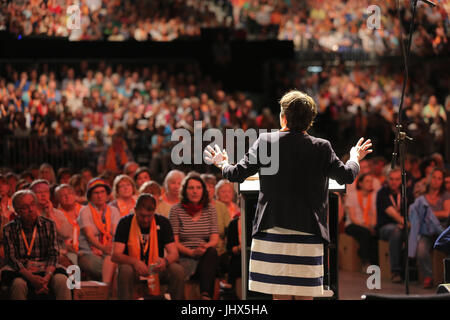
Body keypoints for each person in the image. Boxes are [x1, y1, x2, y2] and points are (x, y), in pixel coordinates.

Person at [205, 90, 371, 300]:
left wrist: (222, 163)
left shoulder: (266, 142)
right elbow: (346, 176)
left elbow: (236, 174)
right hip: (309, 230)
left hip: (272, 227)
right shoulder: (322, 147)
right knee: (305, 296)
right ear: (310, 121)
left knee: (279, 296)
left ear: (283, 117)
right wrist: (355, 157)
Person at [0, 190, 71, 300]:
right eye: (25, 207)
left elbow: (54, 254)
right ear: (17, 211)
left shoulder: (48, 225)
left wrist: (46, 278)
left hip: (46, 268)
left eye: (33, 204)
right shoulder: (9, 229)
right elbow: (12, 259)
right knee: (18, 284)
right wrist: (32, 279)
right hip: (22, 270)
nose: (31, 209)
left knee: (62, 281)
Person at [112, 193, 184, 300]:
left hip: (155, 269)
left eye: (149, 216)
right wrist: (135, 262)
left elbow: (174, 253)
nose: (146, 220)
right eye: (142, 216)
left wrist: (165, 261)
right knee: (125, 269)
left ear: (154, 211)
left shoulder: (163, 222)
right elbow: (115, 255)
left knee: (177, 270)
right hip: (134, 269)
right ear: (135, 210)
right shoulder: (125, 222)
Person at [169, 172, 219, 300]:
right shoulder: (176, 210)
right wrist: (191, 253)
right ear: (185, 191)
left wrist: (203, 248)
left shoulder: (211, 209)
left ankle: (205, 295)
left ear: (203, 190)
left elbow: (214, 239)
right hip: (184, 256)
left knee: (211, 252)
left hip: (205, 255)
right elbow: (173, 242)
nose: (195, 191)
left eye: (198, 188)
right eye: (191, 188)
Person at [408, 168, 450, 288]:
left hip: (442, 228)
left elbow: (447, 213)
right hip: (426, 230)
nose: (436, 181)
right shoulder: (422, 197)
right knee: (421, 249)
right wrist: (425, 216)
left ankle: (446, 278)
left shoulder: (445, 195)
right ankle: (428, 276)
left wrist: (428, 214)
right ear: (430, 179)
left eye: (439, 178)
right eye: (434, 177)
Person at [77, 178, 120, 289]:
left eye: (102, 192)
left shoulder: (114, 210)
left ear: (107, 195)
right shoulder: (85, 211)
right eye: (96, 193)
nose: (100, 195)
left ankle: (105, 291)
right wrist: (103, 248)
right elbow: (89, 235)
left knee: (114, 261)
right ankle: (107, 293)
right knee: (116, 269)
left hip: (109, 252)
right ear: (90, 196)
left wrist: (109, 248)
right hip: (89, 252)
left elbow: (116, 234)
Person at [376, 168, 413, 283]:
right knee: (396, 231)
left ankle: (411, 270)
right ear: (387, 179)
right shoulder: (382, 193)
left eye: (397, 179)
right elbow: (392, 213)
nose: (394, 182)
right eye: (391, 179)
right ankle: (395, 271)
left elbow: (411, 210)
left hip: (403, 225)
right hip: (385, 227)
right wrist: (405, 224)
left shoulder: (406, 192)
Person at [29, 180, 73, 267]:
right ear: (31, 195)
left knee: (69, 262)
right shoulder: (29, 214)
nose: (43, 195)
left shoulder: (57, 213)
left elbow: (66, 234)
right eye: (39, 192)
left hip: (59, 251)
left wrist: (51, 214)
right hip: (37, 252)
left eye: (46, 192)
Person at [344, 173, 378, 270]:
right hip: (353, 224)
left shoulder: (374, 196)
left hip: (368, 224)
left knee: (375, 233)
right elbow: (352, 217)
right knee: (365, 233)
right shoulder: (352, 195)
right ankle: (365, 261)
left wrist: (373, 226)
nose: (370, 183)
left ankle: (376, 263)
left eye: (371, 181)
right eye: (367, 181)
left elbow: (374, 214)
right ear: (360, 183)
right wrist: (366, 227)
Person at [55, 184, 83, 266]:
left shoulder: (85, 210)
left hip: (86, 246)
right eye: (63, 195)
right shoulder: (55, 214)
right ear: (58, 199)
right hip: (67, 249)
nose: (67, 196)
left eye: (70, 193)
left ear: (75, 195)